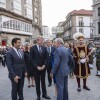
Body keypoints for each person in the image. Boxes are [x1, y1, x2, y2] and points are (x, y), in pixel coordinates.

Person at [30, 36, 51, 100]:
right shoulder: (32, 48)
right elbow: (31, 59)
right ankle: (38, 95)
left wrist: (44, 65)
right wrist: (37, 66)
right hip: (36, 69)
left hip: (43, 68)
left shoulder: (44, 48)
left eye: (42, 40)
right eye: (41, 40)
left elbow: (47, 57)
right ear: (38, 41)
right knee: (37, 82)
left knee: (43, 82)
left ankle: (44, 94)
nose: (42, 41)